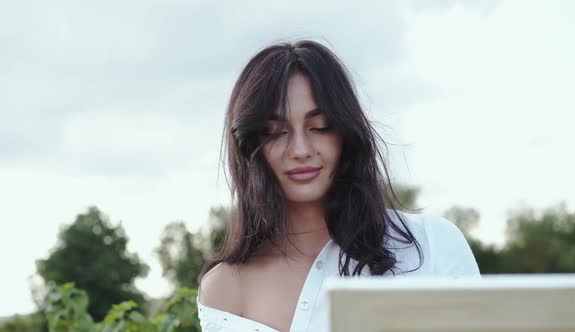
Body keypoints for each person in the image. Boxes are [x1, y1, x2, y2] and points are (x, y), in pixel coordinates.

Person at [196, 39, 480, 332]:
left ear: (346, 133)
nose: (301, 149)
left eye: (320, 127)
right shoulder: (224, 288)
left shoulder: (431, 246)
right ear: (250, 144)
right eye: (276, 132)